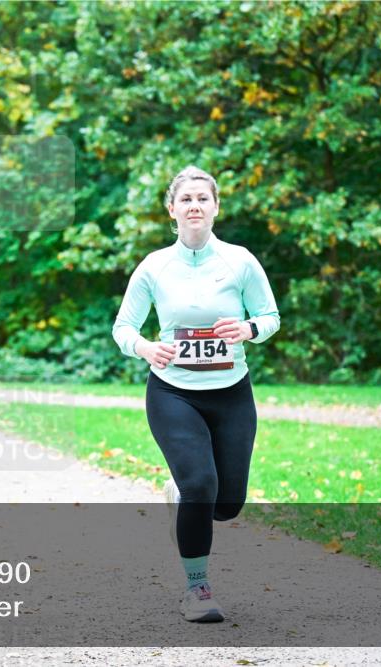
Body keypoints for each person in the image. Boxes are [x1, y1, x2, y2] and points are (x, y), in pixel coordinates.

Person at [112, 165, 280, 623]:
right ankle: (196, 589)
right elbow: (123, 327)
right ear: (172, 209)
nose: (194, 206)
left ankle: (180, 494)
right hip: (173, 393)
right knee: (200, 487)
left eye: (203, 199)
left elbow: (270, 317)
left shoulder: (240, 261)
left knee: (226, 505)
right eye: (186, 199)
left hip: (232, 393)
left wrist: (247, 329)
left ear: (215, 207)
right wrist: (145, 346)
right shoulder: (154, 266)